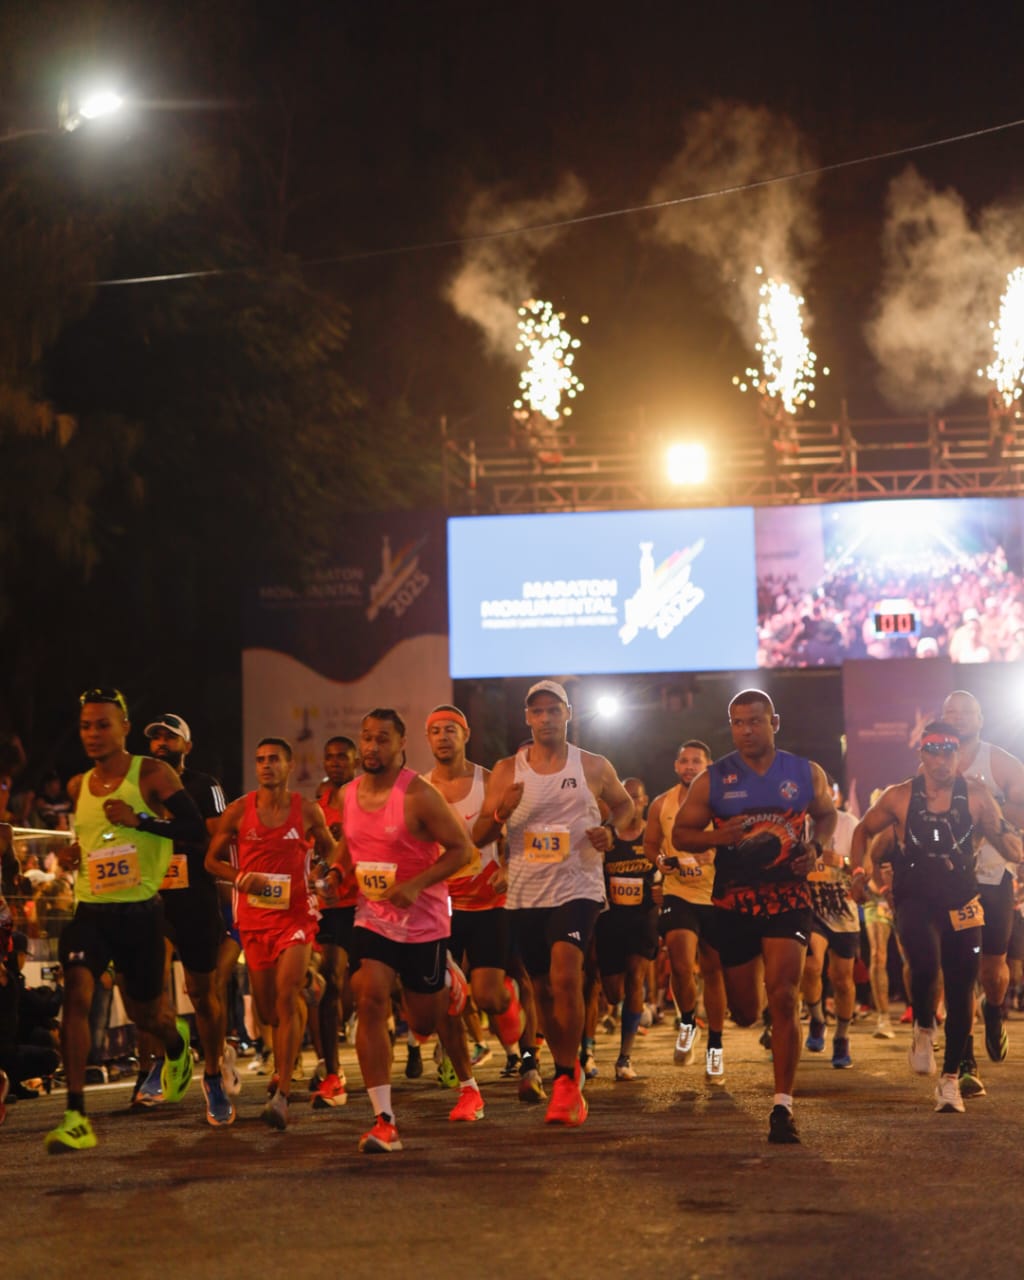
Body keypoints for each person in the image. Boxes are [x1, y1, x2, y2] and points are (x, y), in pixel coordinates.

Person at [673, 689, 837, 1145]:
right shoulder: (714, 778)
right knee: (746, 1011)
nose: (746, 730)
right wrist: (718, 837)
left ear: (774, 723)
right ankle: (760, 1017)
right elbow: (681, 834)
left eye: (755, 721)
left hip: (788, 897)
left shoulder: (804, 772)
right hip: (734, 904)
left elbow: (826, 816)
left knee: (783, 995)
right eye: (738, 723)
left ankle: (783, 1105)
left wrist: (815, 846)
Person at [49, 688, 207, 1153]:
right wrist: (74, 852)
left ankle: (175, 1044)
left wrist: (140, 819)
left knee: (145, 1014)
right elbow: (96, 839)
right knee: (76, 992)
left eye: (103, 725)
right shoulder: (77, 786)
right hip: (91, 910)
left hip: (141, 912)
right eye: (86, 726)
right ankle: (75, 1115)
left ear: (124, 728)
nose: (93, 734)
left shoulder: (152, 773)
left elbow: (194, 829)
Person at [472, 680, 634, 1127]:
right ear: (527, 718)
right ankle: (565, 1067)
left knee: (566, 975)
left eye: (553, 710)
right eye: (537, 711)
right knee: (541, 988)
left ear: (568, 714)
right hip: (526, 892)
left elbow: (624, 807)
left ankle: (565, 1078)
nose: (545, 718)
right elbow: (479, 836)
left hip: (578, 886)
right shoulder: (507, 770)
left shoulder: (593, 765)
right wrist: (501, 812)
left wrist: (611, 832)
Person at [850, 721, 1022, 1114]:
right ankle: (924, 1027)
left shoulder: (976, 796)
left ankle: (949, 1081)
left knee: (962, 987)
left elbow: (1005, 842)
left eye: (949, 752)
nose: (942, 760)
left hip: (962, 901)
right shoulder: (900, 796)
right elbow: (862, 831)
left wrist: (1016, 846)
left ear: (958, 755)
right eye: (934, 752)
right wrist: (859, 873)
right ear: (922, 755)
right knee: (925, 965)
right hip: (915, 901)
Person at [336, 708, 480, 1154]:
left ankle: (467, 1075)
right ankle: (384, 1120)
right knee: (369, 997)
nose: (371, 747)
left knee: (424, 1021)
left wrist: (416, 884)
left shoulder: (419, 795)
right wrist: (336, 871)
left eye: (382, 739)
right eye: (366, 738)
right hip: (373, 917)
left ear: (401, 745)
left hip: (423, 922)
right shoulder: (348, 794)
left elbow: (463, 851)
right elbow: (349, 844)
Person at [205, 736, 335, 1130]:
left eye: (274, 759)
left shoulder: (307, 810)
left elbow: (331, 850)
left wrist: (321, 873)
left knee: (285, 996)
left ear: (289, 765)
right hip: (255, 921)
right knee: (267, 1011)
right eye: (260, 759)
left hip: (296, 916)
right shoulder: (239, 811)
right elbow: (211, 860)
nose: (266, 765)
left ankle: (283, 1094)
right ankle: (307, 987)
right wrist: (241, 877)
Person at [132, 713, 237, 1126]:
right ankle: (167, 1053)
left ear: (187, 746)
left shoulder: (204, 785)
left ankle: (212, 1074)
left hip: (194, 896)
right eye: (155, 737)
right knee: (148, 987)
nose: (161, 743)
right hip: (151, 895)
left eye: (170, 737)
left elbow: (216, 837)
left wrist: (163, 830)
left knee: (202, 993)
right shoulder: (139, 785)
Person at [424, 707, 524, 1061]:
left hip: (487, 901)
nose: (443, 737)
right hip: (439, 905)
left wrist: (508, 867)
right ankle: (458, 1062)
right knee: (440, 992)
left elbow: (515, 832)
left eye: (450, 730)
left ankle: (508, 995)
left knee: (489, 998)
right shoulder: (420, 788)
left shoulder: (488, 782)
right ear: (428, 739)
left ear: (465, 735)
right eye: (436, 731)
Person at [942, 691, 1024, 1080]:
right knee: (958, 969)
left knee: (993, 970)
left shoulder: (1000, 762)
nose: (958, 717)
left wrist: (985, 802)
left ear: (980, 719)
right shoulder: (934, 762)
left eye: (966, 712)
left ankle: (993, 1009)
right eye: (951, 712)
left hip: (994, 875)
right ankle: (964, 1058)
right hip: (952, 879)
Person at [644, 740, 727, 1084]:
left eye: (697, 761)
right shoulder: (661, 804)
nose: (690, 766)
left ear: (708, 766)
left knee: (713, 971)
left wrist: (714, 850)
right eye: (684, 761)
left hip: (716, 895)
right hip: (678, 892)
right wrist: (660, 861)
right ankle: (688, 1021)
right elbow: (650, 845)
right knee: (680, 963)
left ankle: (715, 1047)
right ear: (676, 766)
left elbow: (736, 838)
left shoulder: (721, 801)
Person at [309, 735, 359, 1109]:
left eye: (342, 756)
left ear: (355, 760)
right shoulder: (318, 803)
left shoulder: (368, 795)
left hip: (370, 901)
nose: (336, 762)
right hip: (333, 902)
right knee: (329, 980)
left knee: (373, 986)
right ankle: (332, 1071)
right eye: (330, 756)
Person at [594, 777, 656, 1081]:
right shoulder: (607, 837)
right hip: (609, 919)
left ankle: (624, 1058)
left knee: (636, 976)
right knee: (613, 992)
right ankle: (621, 1012)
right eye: (625, 797)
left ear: (644, 801)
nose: (631, 802)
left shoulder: (653, 835)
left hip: (643, 917)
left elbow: (667, 865)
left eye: (636, 797)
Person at [802, 780, 861, 1068]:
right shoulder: (799, 823)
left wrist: (841, 860)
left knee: (842, 979)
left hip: (842, 909)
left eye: (823, 791)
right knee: (811, 966)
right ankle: (816, 1018)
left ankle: (842, 1036)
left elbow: (864, 866)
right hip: (809, 906)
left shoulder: (850, 824)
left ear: (832, 795)